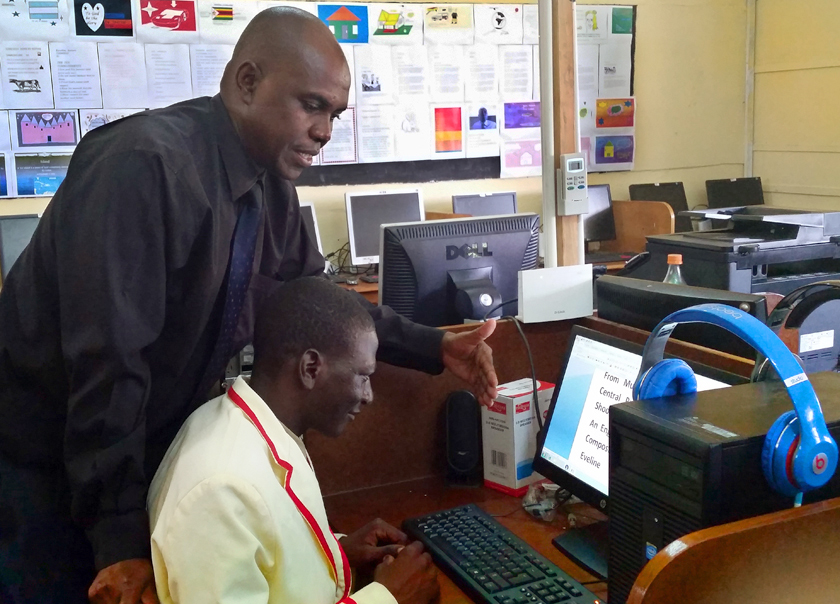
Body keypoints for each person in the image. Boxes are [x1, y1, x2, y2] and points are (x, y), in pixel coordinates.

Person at [0, 7, 497, 604]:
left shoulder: (270, 192)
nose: (325, 132)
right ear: (246, 83)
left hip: (134, 457)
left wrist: (434, 344)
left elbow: (321, 303)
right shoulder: (143, 168)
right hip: (47, 467)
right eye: (312, 105)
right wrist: (120, 541)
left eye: (334, 114)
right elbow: (109, 367)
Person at [148, 277, 440, 604]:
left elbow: (264, 556)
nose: (368, 395)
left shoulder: (251, 424)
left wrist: (333, 554)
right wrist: (390, 597)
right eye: (363, 376)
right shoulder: (222, 489)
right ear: (310, 368)